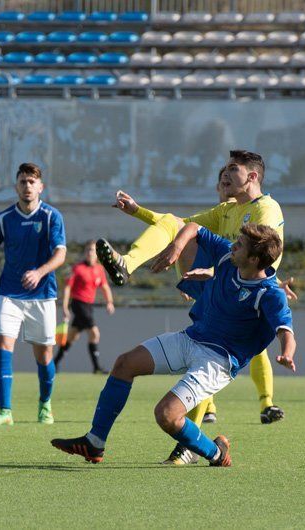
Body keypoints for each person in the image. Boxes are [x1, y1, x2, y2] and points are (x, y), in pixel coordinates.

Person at [98, 151, 293, 463]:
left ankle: (256, 407)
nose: (224, 175)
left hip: (244, 294)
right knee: (175, 225)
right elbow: (177, 225)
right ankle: (127, 264)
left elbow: (267, 257)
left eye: (233, 169)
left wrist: (216, 272)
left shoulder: (266, 209)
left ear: (253, 177)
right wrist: (137, 212)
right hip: (219, 286)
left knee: (216, 357)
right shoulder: (227, 209)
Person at [51, 223, 297, 466]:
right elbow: (193, 227)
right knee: (124, 364)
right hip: (190, 338)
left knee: (166, 415)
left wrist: (287, 353)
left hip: (217, 361)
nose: (233, 245)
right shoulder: (227, 257)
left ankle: (216, 453)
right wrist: (176, 248)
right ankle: (94, 442)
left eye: (240, 245)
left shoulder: (270, 294)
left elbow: (286, 331)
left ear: (254, 260)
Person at [0, 163, 66, 426]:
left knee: (44, 356)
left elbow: (61, 253)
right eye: (23, 181)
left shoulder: (51, 217)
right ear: (16, 186)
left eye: (32, 182)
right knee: (2, 346)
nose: (27, 186)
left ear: (40, 187)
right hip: (10, 293)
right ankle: (5, 411)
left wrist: (40, 271)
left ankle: (45, 404)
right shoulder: (4, 219)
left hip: (43, 295)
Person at [55, 240, 115, 374]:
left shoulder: (99, 269)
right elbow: (67, 288)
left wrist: (109, 302)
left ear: (97, 253)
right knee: (94, 333)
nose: (89, 253)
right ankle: (96, 367)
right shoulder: (78, 268)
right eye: (87, 250)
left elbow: (104, 287)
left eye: (92, 250)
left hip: (89, 306)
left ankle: (54, 363)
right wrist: (65, 307)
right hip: (78, 304)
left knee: (72, 336)